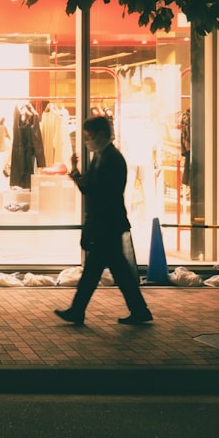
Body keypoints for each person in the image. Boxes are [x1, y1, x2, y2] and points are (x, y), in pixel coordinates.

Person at [55, 115, 153, 326]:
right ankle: (137, 309)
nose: (87, 141)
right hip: (109, 223)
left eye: (88, 136)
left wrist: (76, 175)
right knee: (114, 270)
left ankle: (78, 310)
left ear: (100, 134)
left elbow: (96, 191)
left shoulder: (111, 159)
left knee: (96, 270)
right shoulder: (103, 156)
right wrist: (75, 172)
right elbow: (90, 188)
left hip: (106, 223)